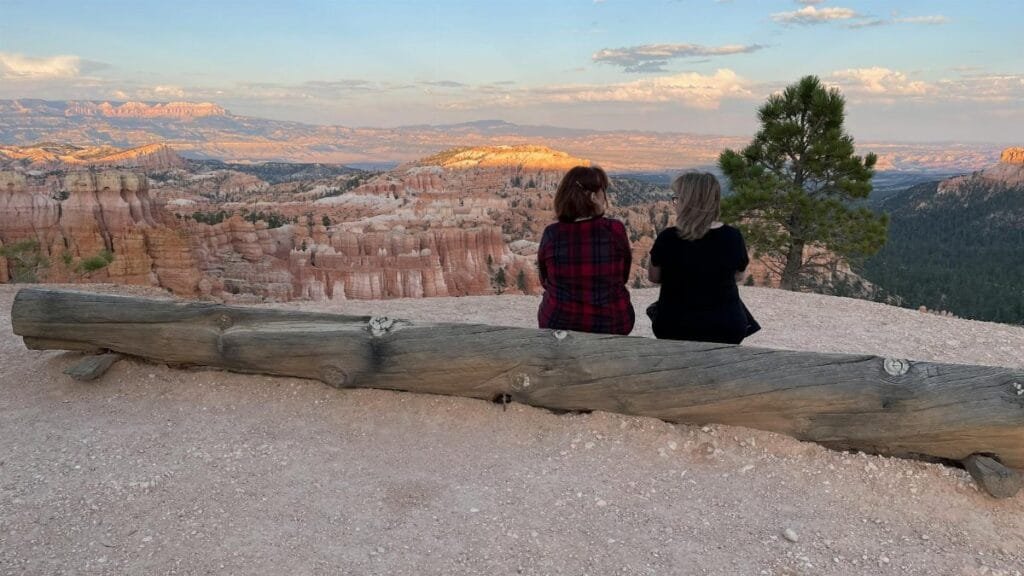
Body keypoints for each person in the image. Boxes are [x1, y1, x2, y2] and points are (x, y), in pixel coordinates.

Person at [647, 172, 757, 344]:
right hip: (727, 327)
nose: (675, 205)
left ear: (688, 203)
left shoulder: (668, 238)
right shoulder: (733, 236)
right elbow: (738, 276)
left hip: (674, 327)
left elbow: (654, 277)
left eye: (678, 199)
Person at [537, 165, 635, 335]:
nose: (605, 197)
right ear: (593, 197)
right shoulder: (615, 229)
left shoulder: (552, 233)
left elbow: (545, 280)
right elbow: (623, 276)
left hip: (560, 323)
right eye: (603, 191)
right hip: (613, 323)